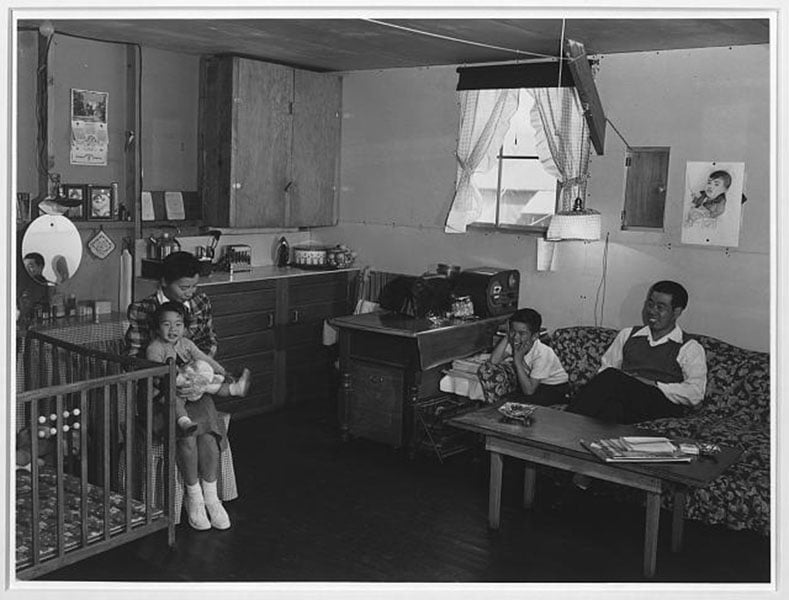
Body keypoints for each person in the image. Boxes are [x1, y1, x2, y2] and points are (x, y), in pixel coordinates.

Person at [125, 251, 248, 531]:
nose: (190, 293)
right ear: (165, 282)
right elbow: (132, 357)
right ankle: (194, 499)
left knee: (209, 435)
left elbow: (208, 341)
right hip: (160, 391)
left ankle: (211, 499)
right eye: (184, 287)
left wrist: (200, 371)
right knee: (188, 435)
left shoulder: (200, 301)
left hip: (196, 386)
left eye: (194, 286)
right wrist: (171, 377)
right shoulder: (142, 310)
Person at [567, 280, 707, 424]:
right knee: (611, 409)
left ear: (676, 312)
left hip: (661, 404)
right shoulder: (628, 334)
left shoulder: (689, 347)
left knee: (612, 377)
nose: (652, 311)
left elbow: (695, 393)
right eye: (650, 304)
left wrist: (653, 384)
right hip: (627, 400)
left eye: (660, 307)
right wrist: (629, 382)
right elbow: (604, 371)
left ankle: (565, 424)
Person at [146, 301, 251, 436]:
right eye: (166, 325)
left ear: (184, 328)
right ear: (157, 328)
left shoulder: (186, 343)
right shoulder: (155, 348)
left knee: (212, 381)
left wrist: (222, 371)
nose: (173, 329)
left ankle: (235, 389)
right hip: (166, 388)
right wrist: (177, 378)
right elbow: (157, 370)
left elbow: (204, 358)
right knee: (173, 400)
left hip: (191, 383)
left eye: (178, 325)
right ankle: (184, 421)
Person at [488, 308, 570, 406]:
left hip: (554, 387)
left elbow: (529, 391)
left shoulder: (543, 353)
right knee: (505, 400)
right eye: (513, 331)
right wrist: (508, 336)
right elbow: (494, 361)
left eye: (522, 333)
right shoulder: (516, 341)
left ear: (534, 336)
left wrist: (517, 360)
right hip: (534, 383)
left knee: (519, 404)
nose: (516, 337)